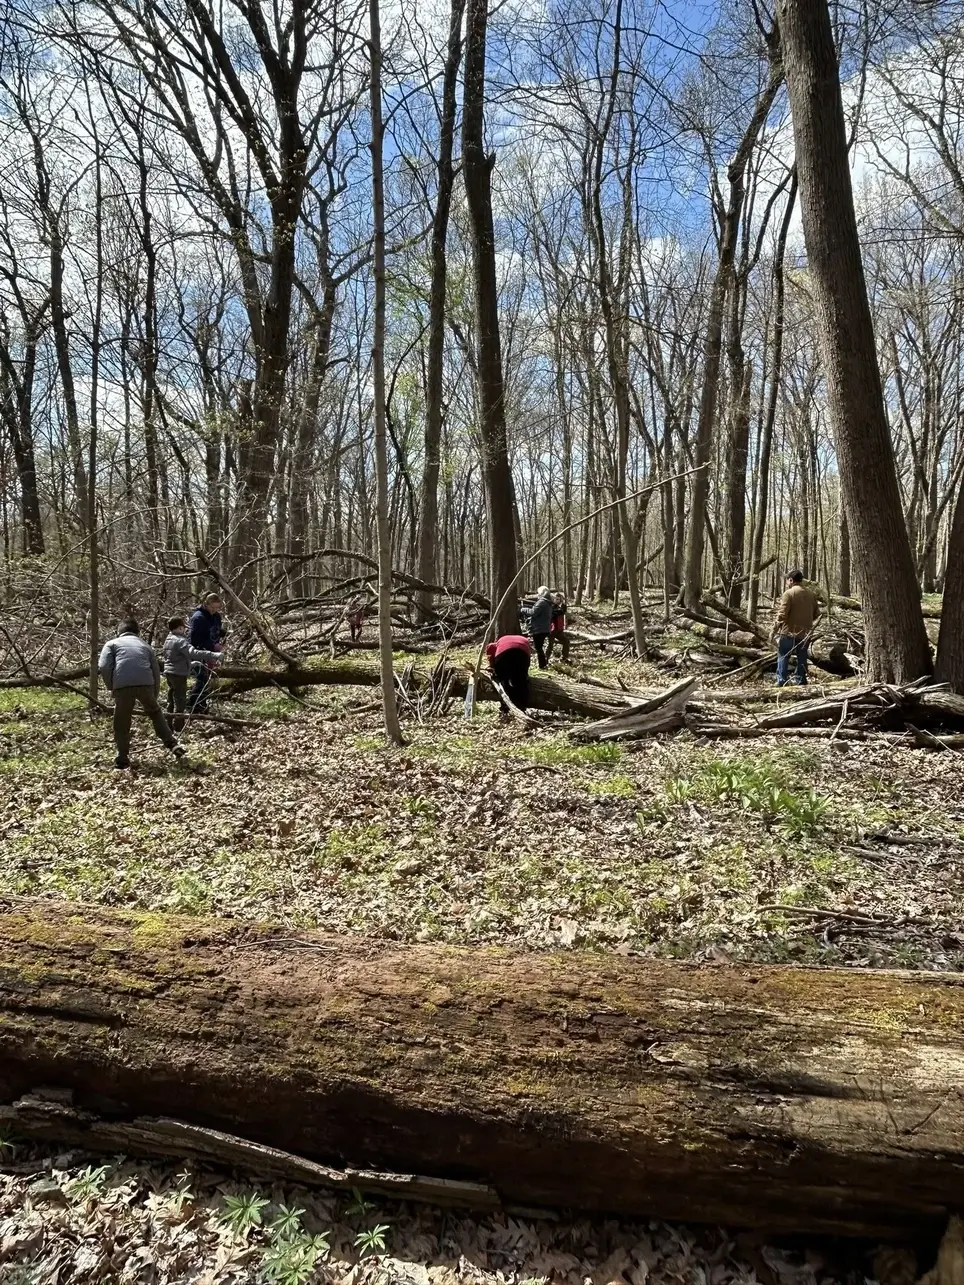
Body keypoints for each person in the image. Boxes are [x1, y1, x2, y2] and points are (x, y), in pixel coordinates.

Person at [98, 619, 185, 769]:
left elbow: (104, 666)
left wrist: (111, 686)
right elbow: (156, 671)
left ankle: (122, 757)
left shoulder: (112, 644)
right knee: (155, 712)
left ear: (119, 632)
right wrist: (154, 694)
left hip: (123, 685)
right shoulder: (145, 645)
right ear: (137, 632)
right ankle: (172, 743)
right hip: (146, 683)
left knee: (122, 721)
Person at [162, 616, 222, 733]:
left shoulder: (168, 639)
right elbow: (193, 652)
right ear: (180, 628)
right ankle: (178, 727)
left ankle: (168, 724)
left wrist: (190, 664)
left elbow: (174, 657)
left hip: (169, 672)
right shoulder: (180, 640)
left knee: (171, 699)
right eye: (184, 628)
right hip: (179, 674)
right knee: (180, 701)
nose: (185, 630)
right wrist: (214, 655)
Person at [773, 570, 820, 687]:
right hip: (805, 633)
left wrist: (774, 629)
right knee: (802, 657)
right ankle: (800, 680)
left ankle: (781, 681)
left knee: (783, 655)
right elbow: (817, 614)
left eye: (787, 580)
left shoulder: (788, 594)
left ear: (791, 580)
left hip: (789, 631)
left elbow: (782, 615)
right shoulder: (811, 594)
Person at [188, 592, 225, 713]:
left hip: (212, 652)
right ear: (206, 604)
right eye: (212, 607)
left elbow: (215, 631)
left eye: (217, 608)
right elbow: (194, 639)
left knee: (207, 678)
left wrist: (221, 635)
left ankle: (201, 704)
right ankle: (194, 705)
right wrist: (211, 645)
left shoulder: (216, 616)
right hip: (200, 651)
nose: (214, 610)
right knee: (201, 678)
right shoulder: (198, 618)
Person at [485, 634, 532, 716]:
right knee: (521, 680)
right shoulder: (524, 639)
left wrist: (493, 669)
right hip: (523, 653)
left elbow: (491, 658)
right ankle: (522, 705)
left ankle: (505, 705)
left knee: (503, 680)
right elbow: (528, 654)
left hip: (504, 654)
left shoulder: (494, 645)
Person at [528, 585, 554, 669]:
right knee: (539, 647)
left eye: (538, 593)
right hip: (544, 628)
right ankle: (543, 664)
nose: (537, 594)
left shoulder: (542, 602)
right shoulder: (548, 602)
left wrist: (522, 609)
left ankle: (542, 665)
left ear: (542, 593)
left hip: (539, 629)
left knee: (538, 648)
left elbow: (533, 612)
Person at [547, 592, 570, 663]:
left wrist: (562, 606)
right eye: (556, 599)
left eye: (558, 599)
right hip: (551, 630)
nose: (557, 600)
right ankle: (545, 659)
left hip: (559, 630)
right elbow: (556, 613)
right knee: (550, 645)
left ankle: (564, 658)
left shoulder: (561, 607)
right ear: (553, 599)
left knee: (566, 641)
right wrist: (559, 609)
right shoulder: (551, 607)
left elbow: (563, 611)